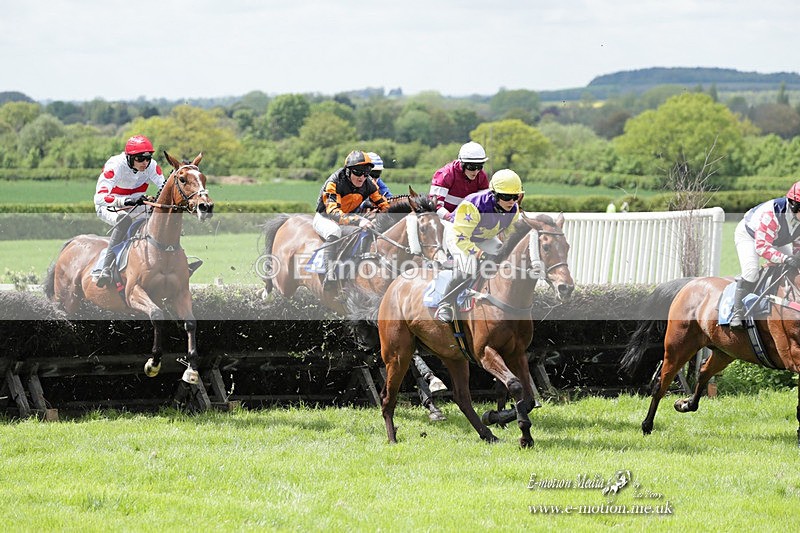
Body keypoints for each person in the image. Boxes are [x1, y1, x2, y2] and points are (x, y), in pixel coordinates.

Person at [434, 169, 524, 322]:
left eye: (515, 197)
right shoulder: (474, 206)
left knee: (503, 258)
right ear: (494, 194)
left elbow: (510, 239)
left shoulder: (514, 210)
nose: (511, 201)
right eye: (506, 196)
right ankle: (445, 303)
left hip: (484, 237)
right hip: (458, 236)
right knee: (469, 266)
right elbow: (461, 238)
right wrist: (480, 254)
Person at [93, 135, 165, 288]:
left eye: (148, 158)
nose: (145, 163)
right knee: (124, 220)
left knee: (160, 216)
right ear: (129, 157)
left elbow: (164, 187)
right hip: (110, 206)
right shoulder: (115, 165)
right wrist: (125, 201)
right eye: (140, 159)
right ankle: (106, 267)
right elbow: (99, 198)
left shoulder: (151, 166)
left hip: (137, 204)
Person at [313, 150, 390, 288]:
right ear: (348, 171)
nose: (362, 177)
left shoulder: (369, 184)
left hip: (348, 217)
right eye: (358, 173)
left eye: (366, 173)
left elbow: (384, 205)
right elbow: (334, 213)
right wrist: (359, 220)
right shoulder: (334, 182)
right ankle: (329, 274)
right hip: (326, 218)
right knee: (334, 231)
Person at [730, 181, 800, 329]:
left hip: (777, 238)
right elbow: (762, 248)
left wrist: (794, 258)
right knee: (751, 272)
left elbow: (797, 247)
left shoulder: (797, 217)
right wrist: (785, 258)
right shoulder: (772, 214)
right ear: (794, 206)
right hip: (749, 236)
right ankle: (736, 312)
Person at [429, 141, 490, 222]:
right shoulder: (446, 174)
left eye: (479, 166)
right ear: (462, 163)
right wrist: (451, 219)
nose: (476, 172)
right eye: (471, 167)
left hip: (468, 220)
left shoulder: (482, 176)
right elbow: (434, 205)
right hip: (443, 221)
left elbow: (483, 205)